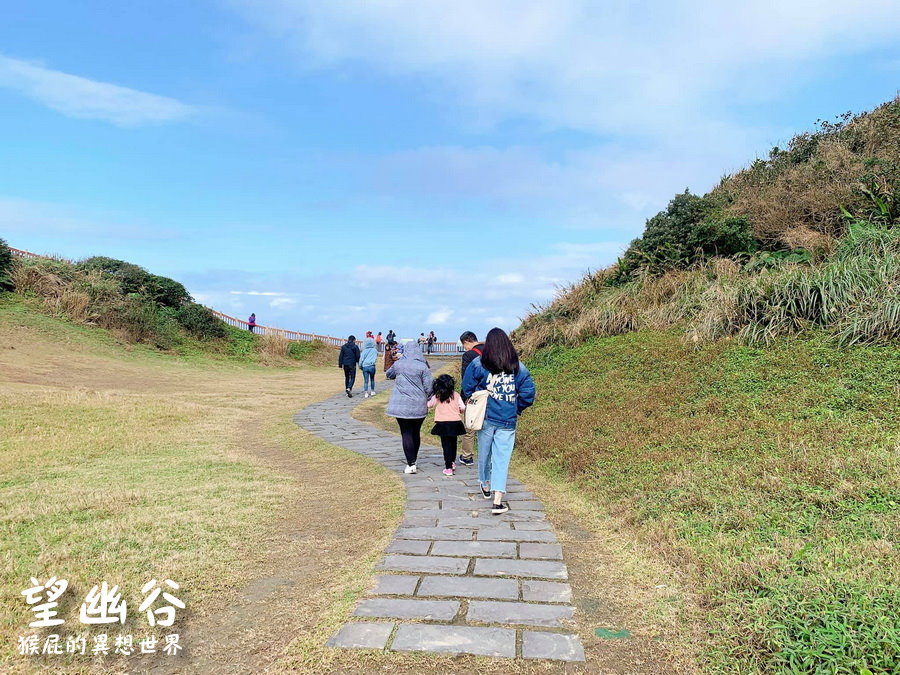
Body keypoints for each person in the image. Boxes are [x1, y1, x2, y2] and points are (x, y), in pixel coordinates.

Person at [462, 327, 535, 515]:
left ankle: (485, 485)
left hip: (485, 417)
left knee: (484, 453)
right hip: (508, 419)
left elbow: (467, 387)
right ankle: (497, 500)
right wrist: (516, 407)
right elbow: (528, 393)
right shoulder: (517, 365)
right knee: (502, 459)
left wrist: (477, 399)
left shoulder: (479, 363)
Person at [386, 341, 433, 474]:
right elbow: (429, 387)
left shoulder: (399, 364)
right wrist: (428, 397)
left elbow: (389, 374)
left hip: (401, 405)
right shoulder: (423, 366)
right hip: (419, 405)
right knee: (415, 432)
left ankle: (410, 463)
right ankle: (414, 459)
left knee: (405, 432)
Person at [428, 374, 466, 476]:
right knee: (453, 443)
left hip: (443, 423)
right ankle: (452, 462)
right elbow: (462, 407)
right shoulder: (456, 395)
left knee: (446, 445)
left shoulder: (438, 396)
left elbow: (429, 405)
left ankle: (448, 467)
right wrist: (460, 411)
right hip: (455, 422)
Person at [457, 331, 485, 466]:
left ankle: (467, 456)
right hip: (491, 394)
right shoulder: (491, 351)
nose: (465, 348)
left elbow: (466, 379)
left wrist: (463, 397)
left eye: (464, 345)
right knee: (487, 426)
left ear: (467, 341)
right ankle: (487, 456)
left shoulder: (469, 355)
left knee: (470, 426)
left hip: (474, 396)